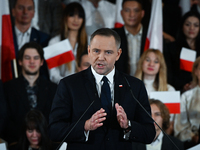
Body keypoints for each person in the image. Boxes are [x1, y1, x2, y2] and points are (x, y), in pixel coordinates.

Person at [49, 28, 156, 150]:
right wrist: (85, 126)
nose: (101, 57)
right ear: (89, 51)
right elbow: (54, 130)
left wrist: (128, 125)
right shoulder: (69, 85)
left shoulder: (134, 86)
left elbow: (149, 133)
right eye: (96, 51)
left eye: (108, 52)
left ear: (118, 54)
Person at [3, 42, 57, 145]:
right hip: (16, 144)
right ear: (20, 61)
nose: (32, 61)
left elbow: (55, 119)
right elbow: (5, 120)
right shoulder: (7, 88)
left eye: (36, 58)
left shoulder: (53, 88)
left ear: (41, 62)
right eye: (27, 58)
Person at [135, 49, 175, 135]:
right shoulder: (130, 87)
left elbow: (170, 124)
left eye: (156, 61)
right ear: (142, 62)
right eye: (148, 60)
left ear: (161, 66)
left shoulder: (170, 90)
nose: (151, 64)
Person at [48, 2, 88, 84]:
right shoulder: (54, 42)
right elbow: (53, 75)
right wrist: (69, 85)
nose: (76, 20)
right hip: (63, 91)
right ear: (65, 17)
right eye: (72, 15)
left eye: (80, 16)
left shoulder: (90, 42)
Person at [11, 0, 50, 80]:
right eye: (21, 8)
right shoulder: (4, 37)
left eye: (29, 9)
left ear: (34, 13)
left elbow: (45, 70)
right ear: (13, 11)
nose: (25, 12)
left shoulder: (44, 39)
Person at [164, 11, 200, 92]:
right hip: (178, 91)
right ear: (182, 26)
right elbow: (169, 73)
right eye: (188, 24)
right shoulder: (172, 47)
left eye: (196, 25)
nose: (192, 28)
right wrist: (183, 86)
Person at [113, 0, 147, 76]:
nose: (132, 15)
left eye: (136, 10)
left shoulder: (151, 37)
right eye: (127, 10)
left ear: (142, 13)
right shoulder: (112, 36)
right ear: (121, 13)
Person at [174, 56, 200, 149]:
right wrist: (192, 136)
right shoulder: (186, 96)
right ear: (196, 71)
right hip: (193, 143)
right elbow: (180, 126)